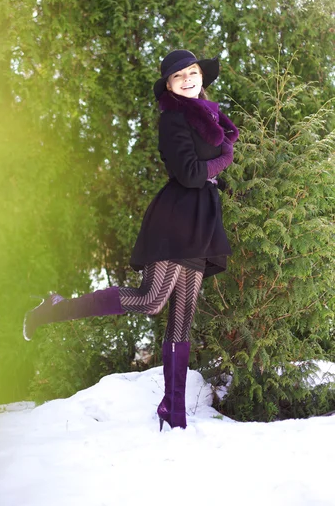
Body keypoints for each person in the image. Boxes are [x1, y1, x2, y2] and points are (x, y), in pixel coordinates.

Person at [23, 49, 239, 431]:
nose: (188, 79)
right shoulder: (173, 119)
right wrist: (224, 160)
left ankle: (173, 414)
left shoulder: (211, 115)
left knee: (183, 317)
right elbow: (190, 173)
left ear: (201, 77)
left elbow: (206, 168)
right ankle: (52, 309)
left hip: (202, 219)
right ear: (169, 86)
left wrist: (218, 170)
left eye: (192, 73)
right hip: (175, 219)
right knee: (152, 300)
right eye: (178, 77)